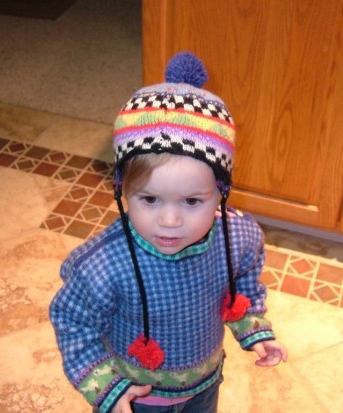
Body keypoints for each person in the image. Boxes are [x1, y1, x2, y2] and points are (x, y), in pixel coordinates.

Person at [50, 51, 288, 413]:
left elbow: (243, 292)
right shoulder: (103, 265)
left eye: (192, 201)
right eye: (149, 199)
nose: (171, 221)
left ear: (220, 193)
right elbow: (73, 323)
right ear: (122, 191)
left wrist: (255, 330)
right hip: (136, 396)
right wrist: (105, 387)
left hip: (206, 383)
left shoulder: (238, 238)